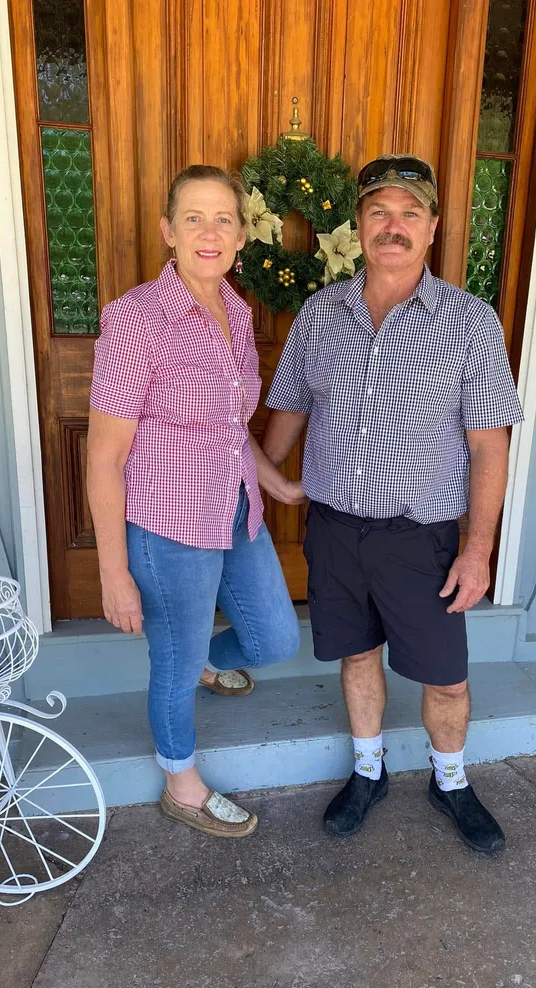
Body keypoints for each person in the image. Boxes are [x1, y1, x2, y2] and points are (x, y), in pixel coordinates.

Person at [263, 154, 523, 853]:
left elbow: (489, 448)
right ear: (360, 225)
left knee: (446, 677)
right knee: (356, 658)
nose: (394, 225)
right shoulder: (321, 315)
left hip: (424, 539)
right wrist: (256, 474)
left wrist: (477, 549)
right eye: (380, 211)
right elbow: (285, 412)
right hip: (336, 532)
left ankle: (451, 780)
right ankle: (369, 771)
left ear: (433, 227)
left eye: (411, 213)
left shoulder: (470, 323)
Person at [87, 165, 303, 839]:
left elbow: (230, 428)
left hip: (234, 507)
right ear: (167, 231)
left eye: (223, 219)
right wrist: (113, 572)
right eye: (193, 218)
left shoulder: (236, 311)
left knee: (274, 638)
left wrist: (276, 483)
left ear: (241, 235)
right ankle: (181, 783)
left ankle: (208, 661)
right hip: (166, 522)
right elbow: (104, 456)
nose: (209, 232)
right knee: (173, 666)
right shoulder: (135, 321)